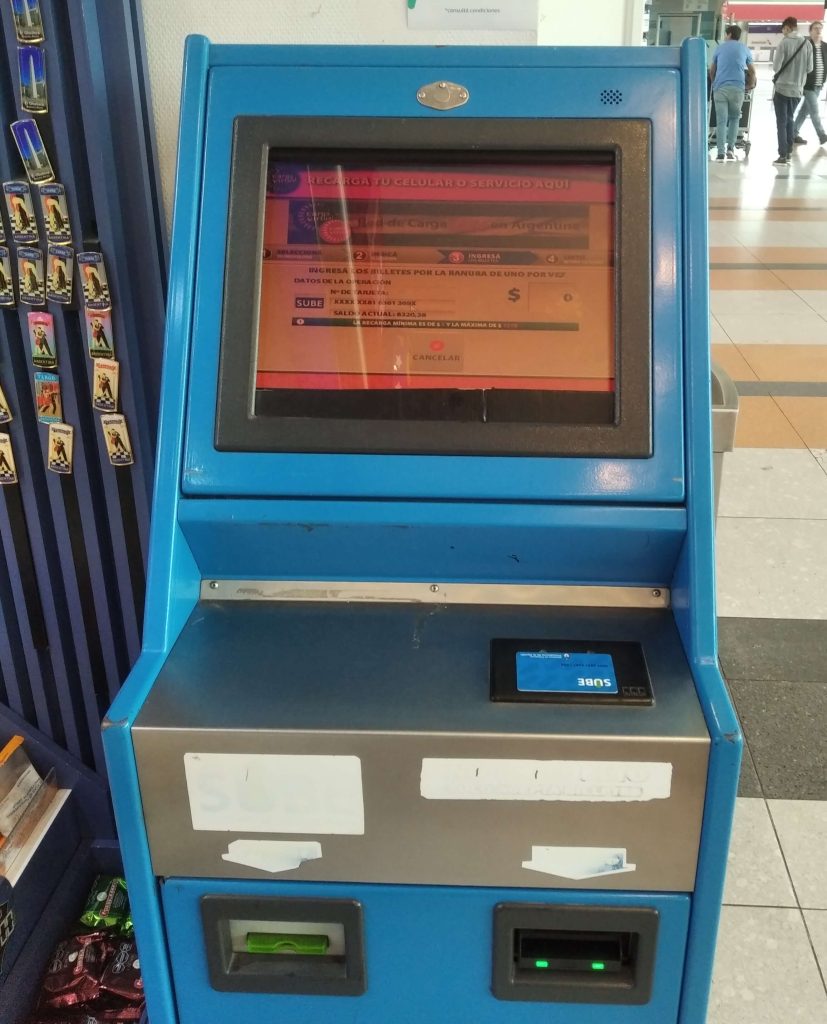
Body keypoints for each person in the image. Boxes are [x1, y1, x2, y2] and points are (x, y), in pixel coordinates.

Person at [709, 25, 756, 161]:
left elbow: (712, 70)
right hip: (737, 88)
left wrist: (715, 83)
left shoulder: (720, 48)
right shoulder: (744, 48)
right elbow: (752, 71)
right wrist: (750, 84)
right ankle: (730, 149)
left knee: (721, 121)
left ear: (729, 34)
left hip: (721, 88)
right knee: (735, 118)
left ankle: (720, 153)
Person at [773, 17, 813, 165]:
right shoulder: (807, 44)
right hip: (797, 90)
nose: (783, 32)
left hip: (782, 88)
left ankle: (782, 155)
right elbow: (810, 69)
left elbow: (776, 67)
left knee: (781, 122)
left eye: (783, 29)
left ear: (788, 27)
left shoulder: (784, 43)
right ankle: (789, 152)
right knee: (790, 119)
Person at [793, 21, 827, 145]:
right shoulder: (806, 45)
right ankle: (822, 134)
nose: (818, 31)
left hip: (818, 85)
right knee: (814, 111)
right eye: (816, 28)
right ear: (810, 31)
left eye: (820, 28)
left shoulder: (825, 46)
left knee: (804, 111)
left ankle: (793, 133)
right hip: (808, 85)